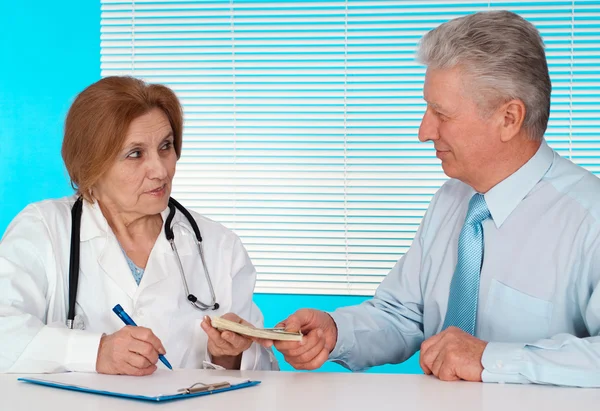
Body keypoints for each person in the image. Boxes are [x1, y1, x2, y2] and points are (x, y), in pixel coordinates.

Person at [269, 11, 600, 387]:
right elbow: (403, 314)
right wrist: (334, 331)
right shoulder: (451, 200)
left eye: (441, 113)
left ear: (509, 118)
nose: (424, 131)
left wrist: (490, 358)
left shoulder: (590, 218)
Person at [0, 76, 278, 374]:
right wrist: (96, 352)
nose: (160, 170)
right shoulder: (44, 229)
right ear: (92, 164)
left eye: (166, 147)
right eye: (135, 154)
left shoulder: (219, 246)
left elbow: (263, 376)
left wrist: (228, 357)